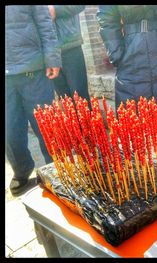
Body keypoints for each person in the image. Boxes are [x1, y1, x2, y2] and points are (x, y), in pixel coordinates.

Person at [5, 5, 62, 195]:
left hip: (33, 68)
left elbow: (44, 21)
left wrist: (52, 58)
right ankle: (21, 171)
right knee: (9, 131)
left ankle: (56, 171)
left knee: (46, 126)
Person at [47, 5, 91, 104]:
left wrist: (55, 10)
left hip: (70, 46)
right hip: (49, 51)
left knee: (80, 96)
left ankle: (87, 119)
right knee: (64, 98)